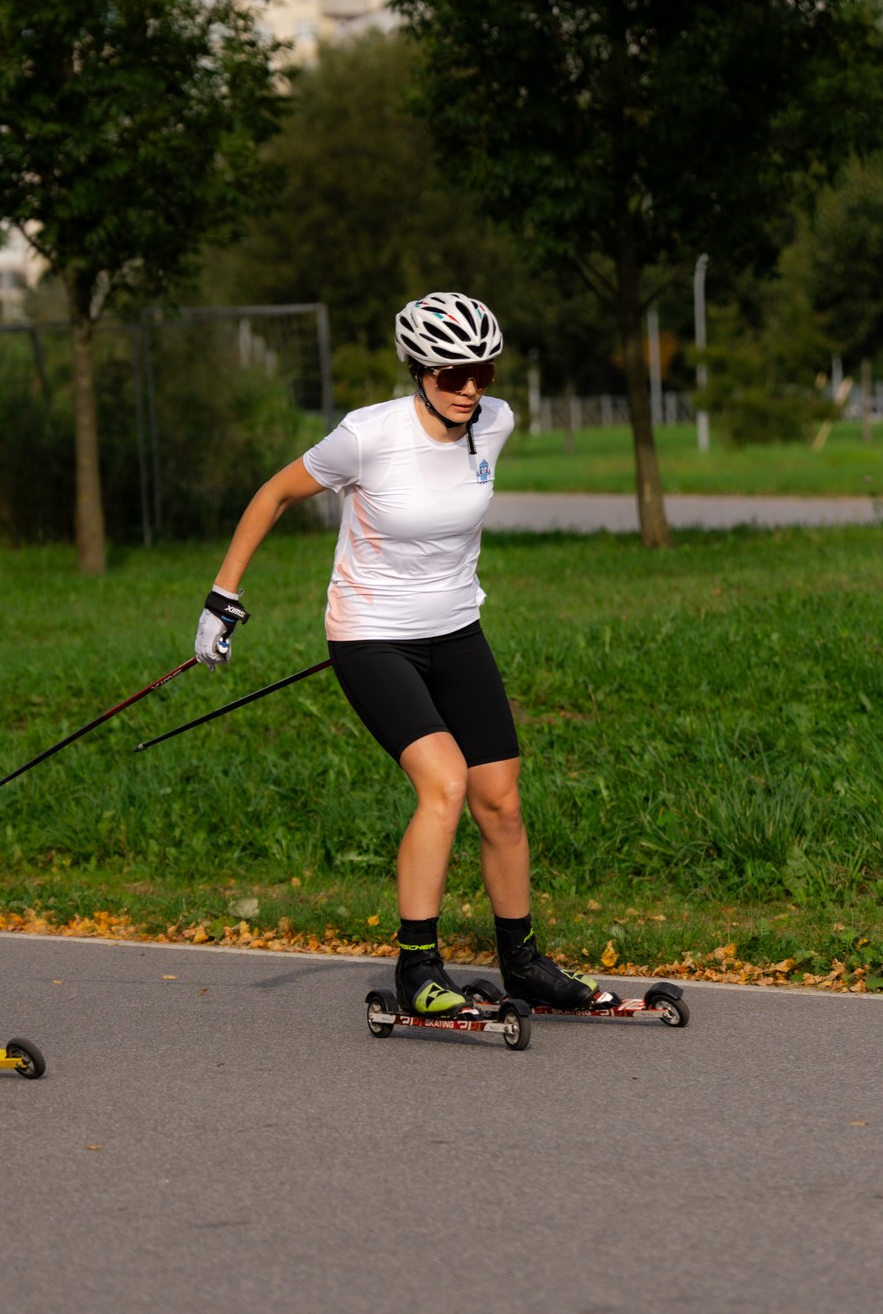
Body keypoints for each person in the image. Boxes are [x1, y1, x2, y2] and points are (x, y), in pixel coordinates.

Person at [194, 291, 615, 1021]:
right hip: (370, 637)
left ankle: (522, 962)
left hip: (456, 630)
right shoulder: (367, 435)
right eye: (453, 373)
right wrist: (221, 597)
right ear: (419, 370)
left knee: (501, 801)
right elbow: (275, 494)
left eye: (482, 371)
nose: (470, 388)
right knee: (444, 783)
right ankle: (418, 966)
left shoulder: (496, 422)